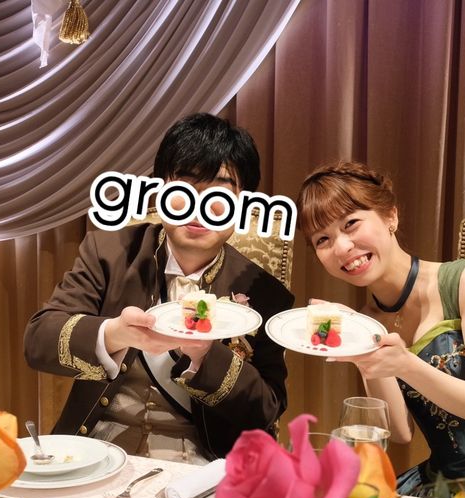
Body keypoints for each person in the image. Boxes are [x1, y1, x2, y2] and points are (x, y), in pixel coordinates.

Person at [24, 113, 294, 464]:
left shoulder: (265, 293)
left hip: (202, 460)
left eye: (219, 193)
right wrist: (115, 334)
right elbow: (38, 340)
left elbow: (267, 409)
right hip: (100, 447)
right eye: (184, 188)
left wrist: (206, 357)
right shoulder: (109, 252)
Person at [296, 160, 465, 498]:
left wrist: (407, 365)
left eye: (351, 224)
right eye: (323, 239)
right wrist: (361, 350)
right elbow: (398, 431)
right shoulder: (369, 320)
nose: (342, 247)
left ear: (390, 216)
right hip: (442, 486)